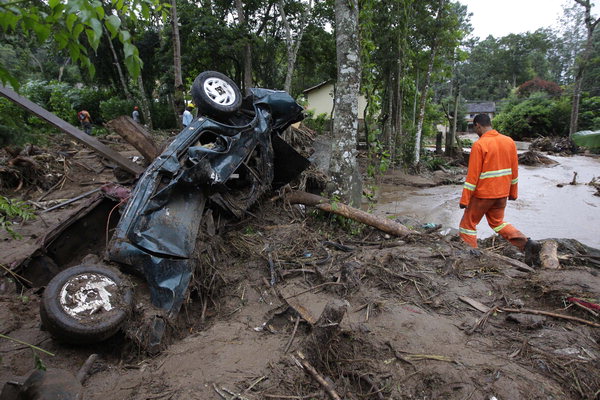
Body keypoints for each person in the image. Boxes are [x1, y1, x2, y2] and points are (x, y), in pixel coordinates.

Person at [459, 114, 540, 262]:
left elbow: (472, 176)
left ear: (477, 125)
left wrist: (464, 199)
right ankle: (526, 243)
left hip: (483, 194)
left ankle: (471, 253)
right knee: (498, 222)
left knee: (468, 224)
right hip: (501, 193)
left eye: (475, 128)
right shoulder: (508, 141)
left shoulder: (479, 144)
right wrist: (513, 193)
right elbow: (514, 171)